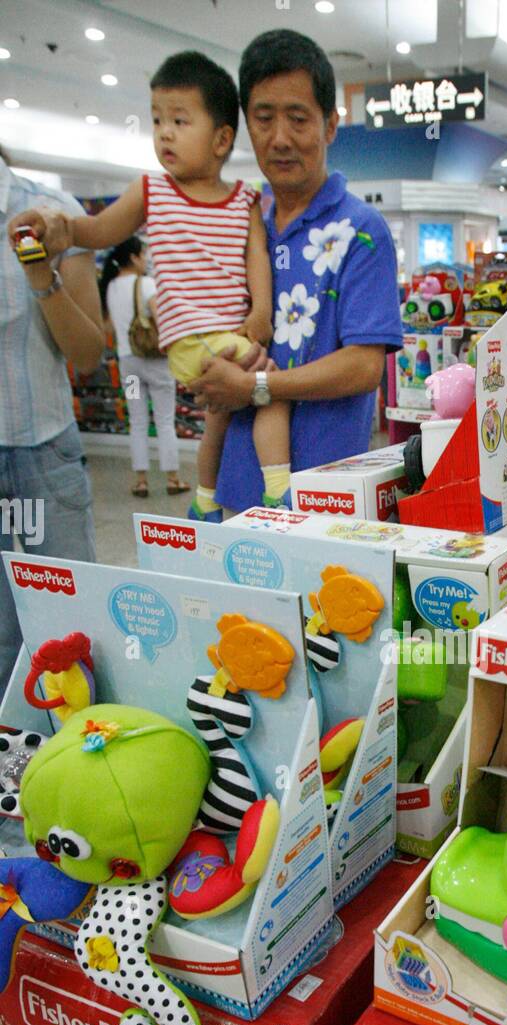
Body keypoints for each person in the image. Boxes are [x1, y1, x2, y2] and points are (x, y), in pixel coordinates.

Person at [9, 50, 290, 525]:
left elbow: (255, 255)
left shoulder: (245, 199)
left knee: (220, 416)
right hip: (192, 338)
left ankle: (204, 500)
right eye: (157, 119)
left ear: (222, 139)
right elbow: (97, 231)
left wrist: (260, 309)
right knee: (271, 389)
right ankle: (281, 492)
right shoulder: (152, 192)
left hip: (230, 333)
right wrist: (60, 226)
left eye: (180, 120)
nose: (164, 132)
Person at [188, 29, 404, 515]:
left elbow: (365, 367)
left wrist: (257, 387)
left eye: (298, 118)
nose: (280, 138)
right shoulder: (242, 233)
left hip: (327, 496)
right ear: (246, 123)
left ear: (330, 125)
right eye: (263, 119)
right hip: (237, 491)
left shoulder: (362, 231)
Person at [0, 147, 102, 701]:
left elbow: (88, 354)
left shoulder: (50, 213)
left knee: (71, 623)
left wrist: (41, 273)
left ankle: (81, 756)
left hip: (45, 449)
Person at [100, 235, 189, 499]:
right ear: (134, 257)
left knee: (137, 421)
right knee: (164, 420)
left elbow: (108, 327)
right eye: (144, 254)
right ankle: (172, 478)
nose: (147, 259)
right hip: (155, 363)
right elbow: (161, 320)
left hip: (128, 363)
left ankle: (141, 481)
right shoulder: (148, 284)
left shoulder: (111, 287)